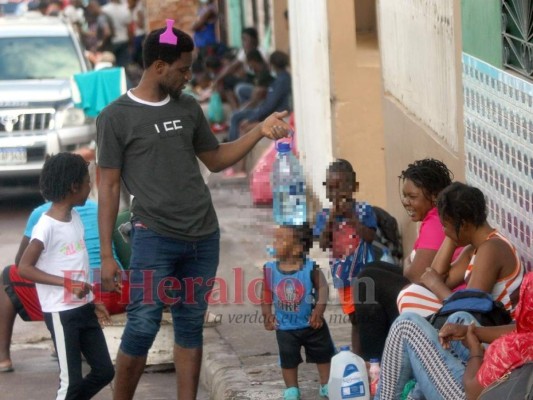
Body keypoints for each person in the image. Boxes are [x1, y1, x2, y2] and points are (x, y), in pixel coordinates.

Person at [96, 25, 291, 400]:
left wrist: (259, 131)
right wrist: (107, 255)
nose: (189, 77)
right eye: (183, 69)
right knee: (142, 324)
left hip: (203, 236)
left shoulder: (187, 107)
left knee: (189, 326)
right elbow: (108, 186)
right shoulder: (115, 117)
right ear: (157, 66)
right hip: (152, 236)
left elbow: (215, 159)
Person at [17, 153, 114, 400]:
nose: (89, 186)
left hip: (83, 308)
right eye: (86, 181)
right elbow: (24, 267)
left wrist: (94, 299)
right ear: (73, 187)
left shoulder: (77, 218)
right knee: (69, 383)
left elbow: (78, 266)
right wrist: (67, 283)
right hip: (61, 313)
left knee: (104, 371)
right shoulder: (46, 226)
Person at [0, 196, 129, 373]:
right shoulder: (97, 207)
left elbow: (21, 263)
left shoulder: (42, 214)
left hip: (80, 295)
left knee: (8, 274)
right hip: (118, 293)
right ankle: (68, 342)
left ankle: (3, 357)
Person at [375, 271, 533, 400]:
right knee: (459, 318)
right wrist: (471, 332)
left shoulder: (512, 349)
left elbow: (472, 392)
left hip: (472, 395)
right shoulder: (523, 343)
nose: (516, 299)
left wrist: (475, 352)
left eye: (522, 297)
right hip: (500, 385)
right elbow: (524, 332)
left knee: (406, 325)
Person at [354, 158, 455, 360]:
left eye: (413, 196)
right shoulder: (432, 218)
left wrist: (409, 266)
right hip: (426, 293)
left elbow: (415, 275)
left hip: (436, 307)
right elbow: (410, 265)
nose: (407, 202)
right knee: (371, 270)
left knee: (369, 282)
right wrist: (409, 265)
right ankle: (372, 358)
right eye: (405, 196)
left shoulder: (436, 222)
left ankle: (375, 362)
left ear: (434, 196)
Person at [399, 182, 524, 318]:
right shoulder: (474, 249)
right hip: (478, 319)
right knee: (412, 292)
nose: (443, 231)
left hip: (498, 327)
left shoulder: (491, 248)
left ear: (463, 224)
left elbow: (471, 309)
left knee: (409, 296)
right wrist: (452, 236)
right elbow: (437, 276)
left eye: (445, 226)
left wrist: (435, 284)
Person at [261, 224, 335, 400]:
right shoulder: (270, 269)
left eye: (280, 239)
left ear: (296, 249)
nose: (275, 243)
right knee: (288, 359)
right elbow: (265, 294)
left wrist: (319, 309)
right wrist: (267, 315)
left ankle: (325, 384)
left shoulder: (310, 268)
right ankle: (292, 389)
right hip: (285, 327)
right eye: (275, 239)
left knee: (323, 354)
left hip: (312, 323)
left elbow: (323, 287)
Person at [313, 159, 377, 355]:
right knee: (354, 318)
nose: (336, 194)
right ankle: (360, 358)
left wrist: (352, 219)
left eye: (341, 188)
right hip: (344, 278)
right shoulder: (324, 216)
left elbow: (370, 237)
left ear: (354, 187)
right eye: (331, 189)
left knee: (368, 316)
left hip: (366, 274)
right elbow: (323, 243)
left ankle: (371, 355)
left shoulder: (364, 210)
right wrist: (332, 219)